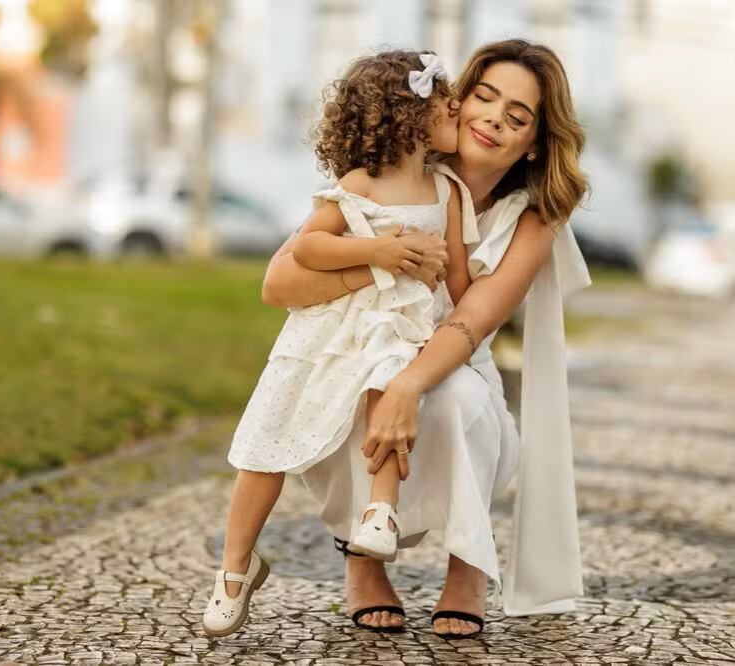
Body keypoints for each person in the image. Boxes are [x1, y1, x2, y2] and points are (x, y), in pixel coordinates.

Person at [262, 38, 592, 639]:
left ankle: (467, 568)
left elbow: (472, 318)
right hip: (371, 354)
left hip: (462, 377)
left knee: (452, 397)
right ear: (456, 102)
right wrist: (384, 261)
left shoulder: (534, 215)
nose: (494, 118)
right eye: (484, 97)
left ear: (536, 140)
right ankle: (362, 561)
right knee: (368, 380)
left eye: (517, 116)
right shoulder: (402, 172)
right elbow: (281, 281)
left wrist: (410, 383)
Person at [201, 49, 469, 638]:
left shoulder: (445, 190)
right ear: (407, 115)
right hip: (322, 332)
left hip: (395, 325)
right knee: (263, 441)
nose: (457, 106)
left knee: (388, 378)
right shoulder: (357, 184)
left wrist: (451, 291)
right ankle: (234, 569)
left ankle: (380, 510)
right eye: (445, 99)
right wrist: (378, 251)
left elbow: (457, 276)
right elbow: (308, 251)